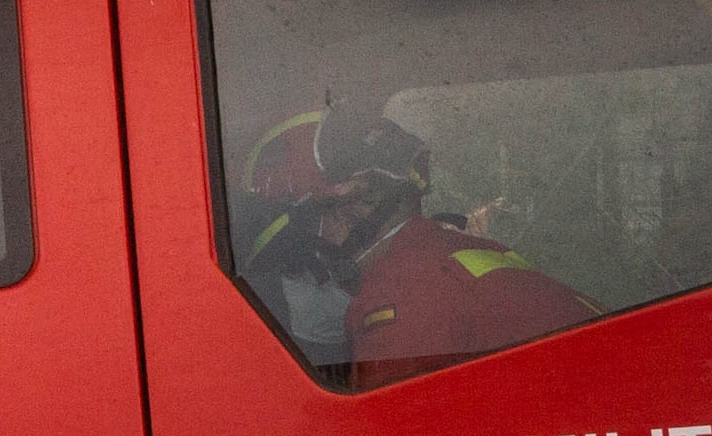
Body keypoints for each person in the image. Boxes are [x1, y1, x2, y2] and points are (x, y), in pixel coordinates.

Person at [235, 100, 589, 379]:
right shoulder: (448, 256)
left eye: (310, 228)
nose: (309, 259)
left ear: (358, 203)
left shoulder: (400, 296)